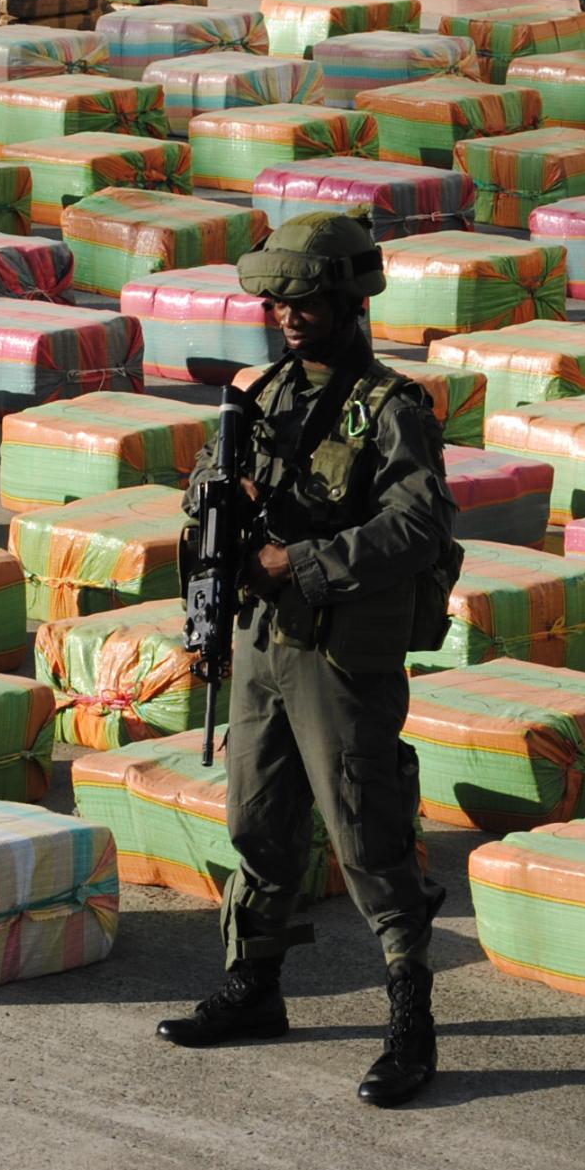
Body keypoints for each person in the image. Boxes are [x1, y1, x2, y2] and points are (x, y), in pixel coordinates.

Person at [158, 211, 457, 1109]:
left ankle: (411, 1017)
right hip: (259, 638)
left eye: (304, 297)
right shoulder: (260, 395)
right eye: (277, 298)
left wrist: (306, 558)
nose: (287, 313)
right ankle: (255, 986)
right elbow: (200, 492)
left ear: (346, 297)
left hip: (337, 646)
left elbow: (418, 524)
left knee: (366, 827)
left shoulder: (390, 407)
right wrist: (223, 507)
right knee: (257, 818)